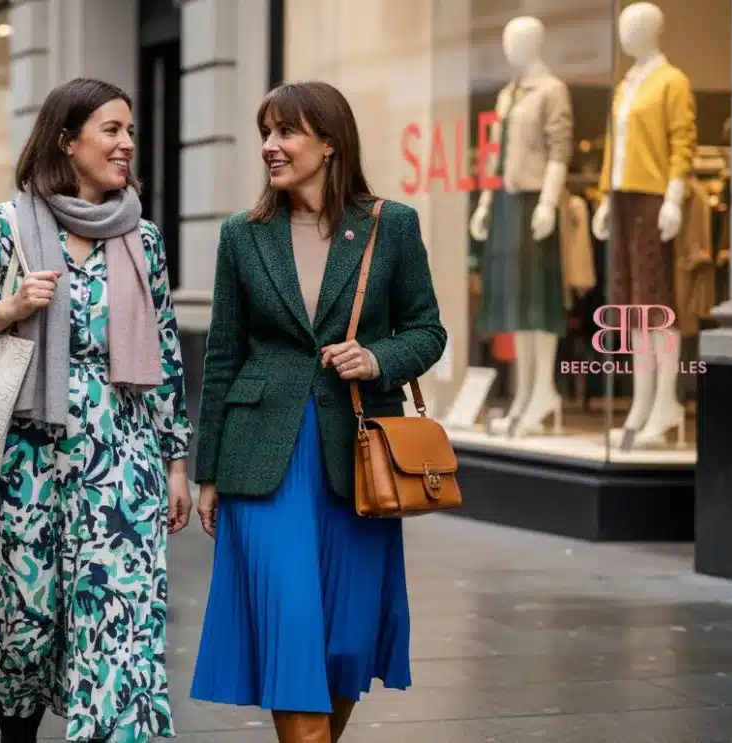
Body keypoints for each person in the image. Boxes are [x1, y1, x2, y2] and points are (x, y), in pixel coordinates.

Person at [0, 77, 193, 743]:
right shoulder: (2, 228)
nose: (126, 143)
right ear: (67, 141)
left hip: (120, 463)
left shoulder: (141, 238)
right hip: (24, 467)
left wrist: (176, 463)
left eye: (129, 131)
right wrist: (8, 309)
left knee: (117, 626)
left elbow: (167, 353)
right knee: (24, 629)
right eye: (111, 130)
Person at [188, 81, 447, 743]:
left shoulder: (391, 225)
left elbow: (427, 330)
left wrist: (378, 358)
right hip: (260, 458)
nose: (270, 147)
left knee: (343, 640)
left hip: (356, 458)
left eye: (286, 132)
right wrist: (207, 471)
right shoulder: (243, 235)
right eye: (265, 133)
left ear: (329, 143)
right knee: (292, 623)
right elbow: (222, 354)